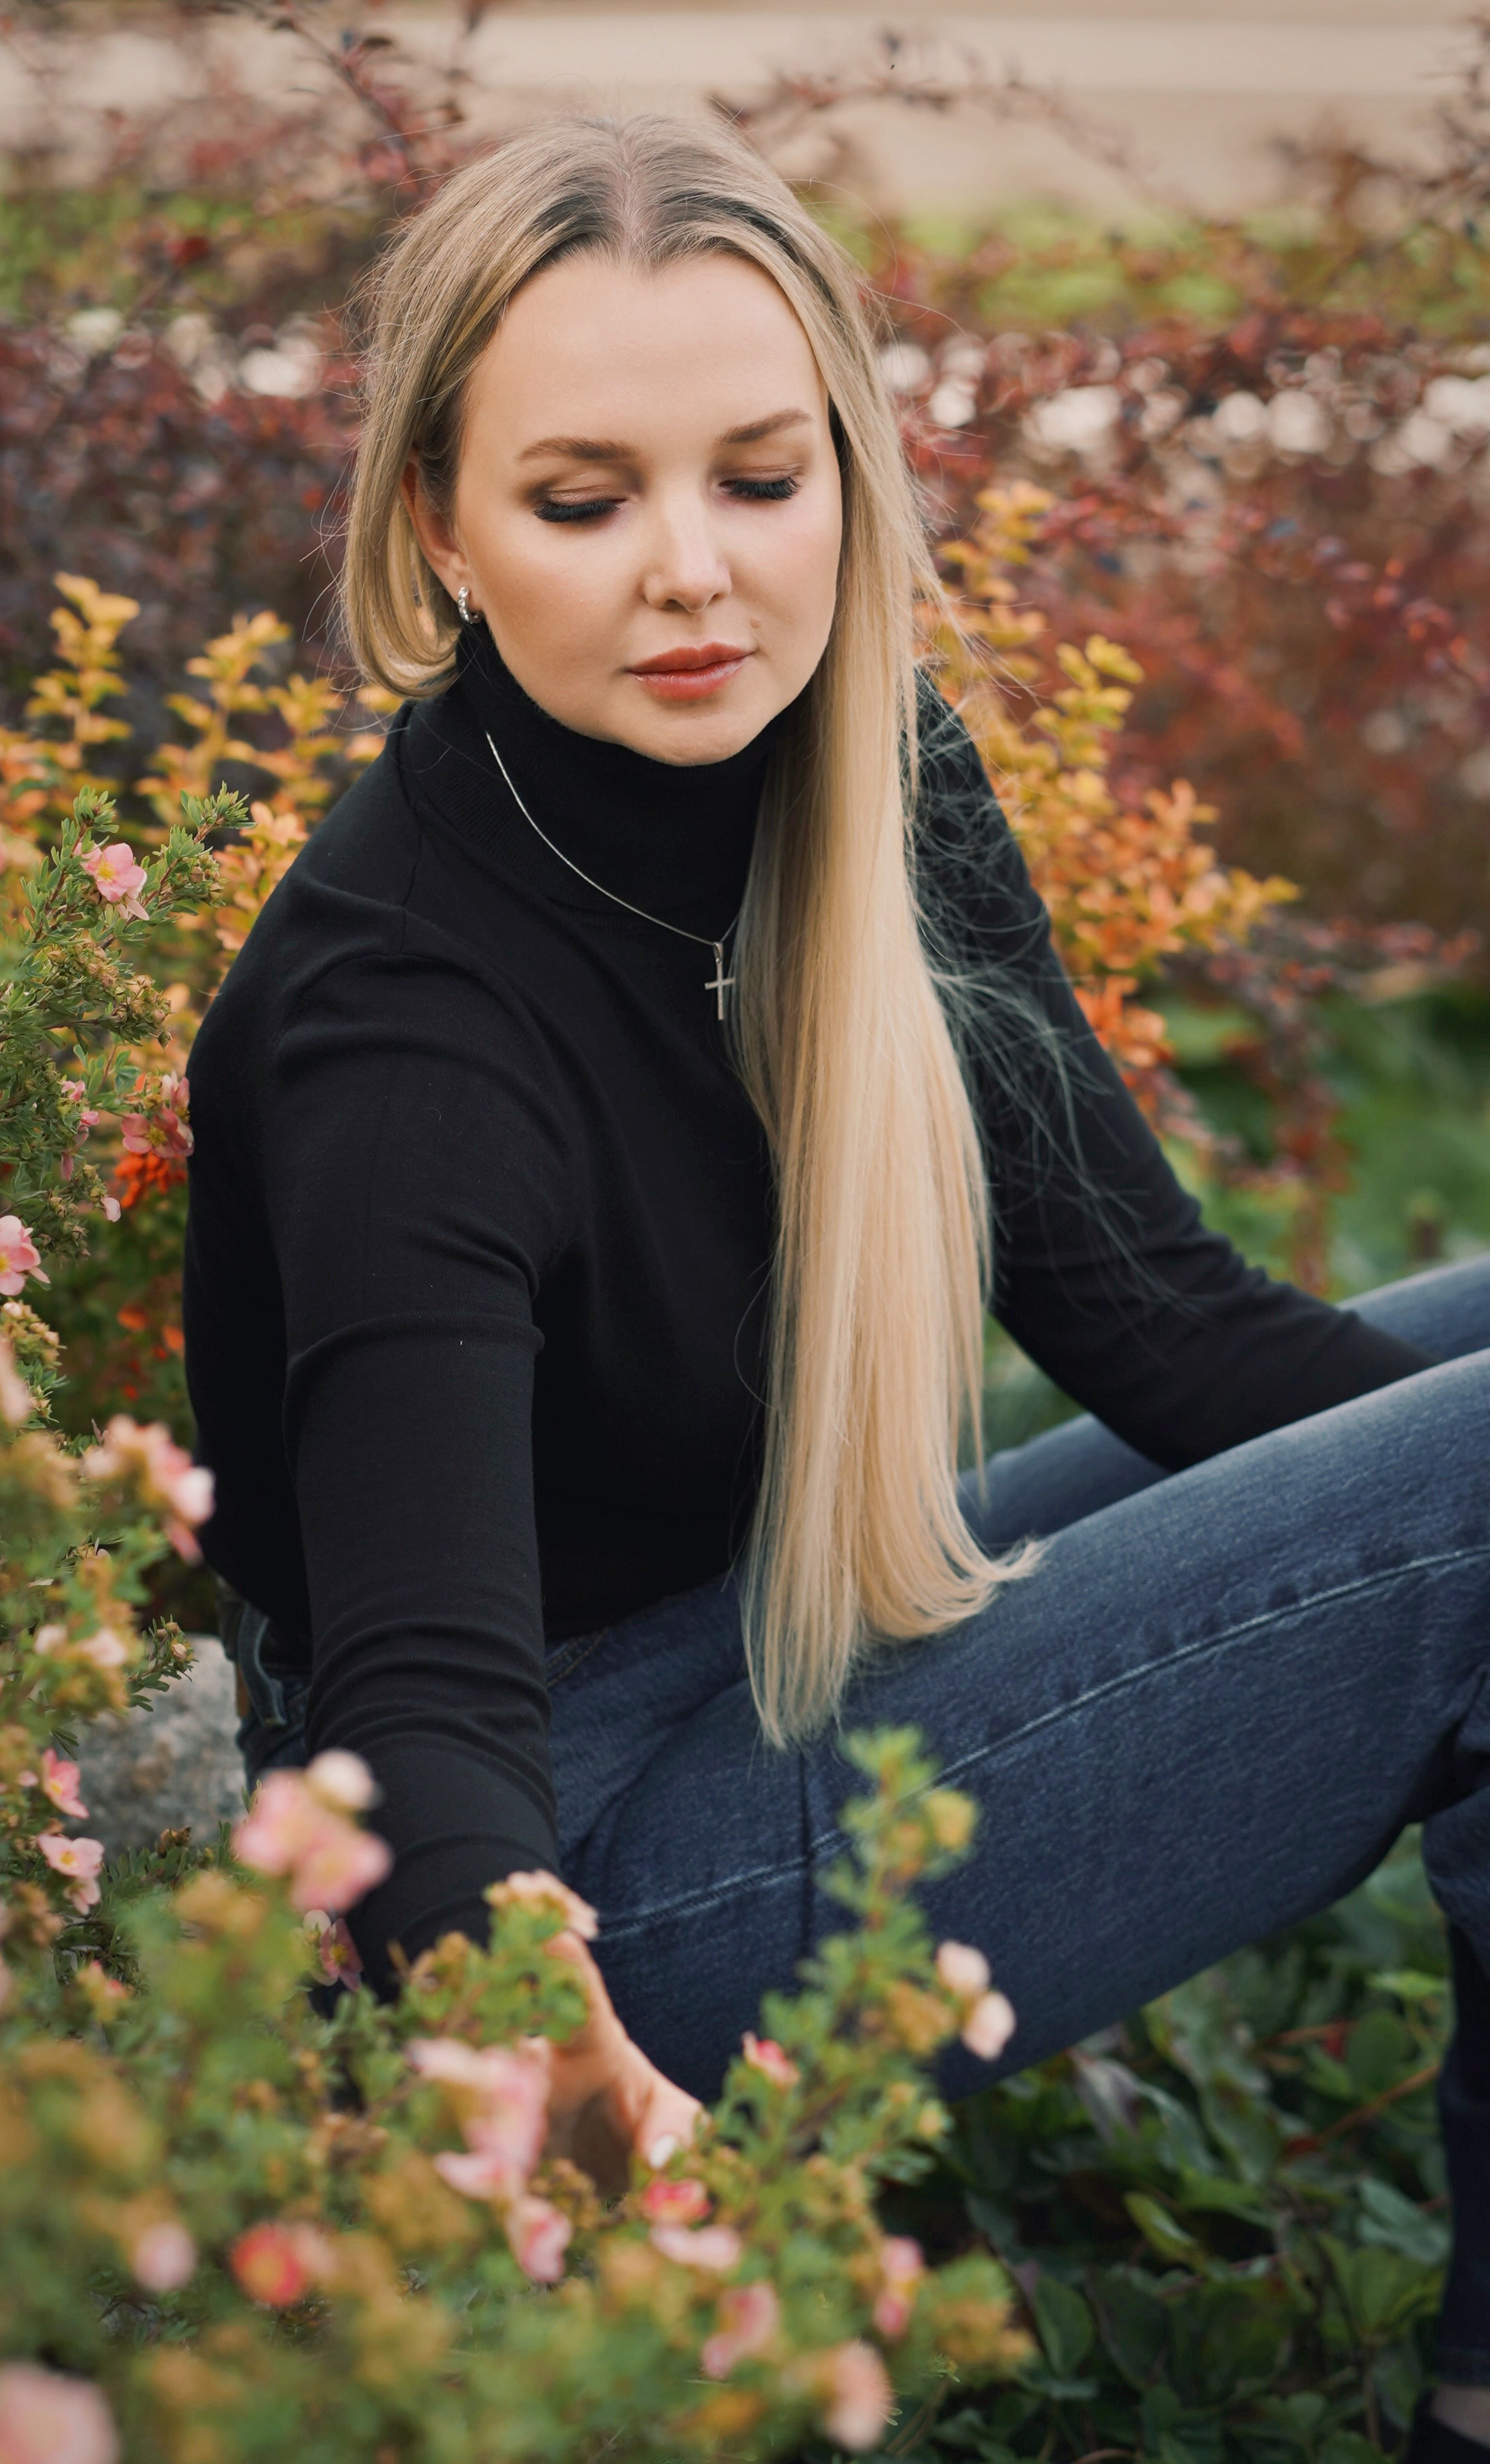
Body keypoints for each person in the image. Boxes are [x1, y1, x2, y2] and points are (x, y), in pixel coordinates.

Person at [183, 114, 1490, 2450]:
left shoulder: (867, 770)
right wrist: (541, 2031)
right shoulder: (407, 1022)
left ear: (852, 486)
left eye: (761, 479)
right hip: (586, 1896)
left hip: (784, 1648)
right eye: (583, 501)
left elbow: (1171, 1331)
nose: (693, 575)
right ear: (442, 534)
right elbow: (415, 1704)